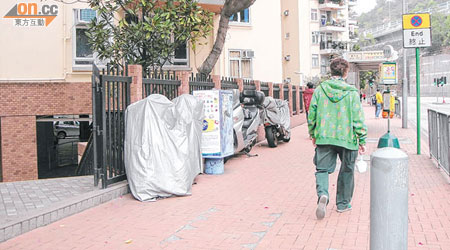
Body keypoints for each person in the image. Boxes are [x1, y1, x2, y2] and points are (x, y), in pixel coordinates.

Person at [307, 58, 367, 220]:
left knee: (322, 169)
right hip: (348, 138)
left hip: (324, 136)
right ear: (346, 73)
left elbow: (311, 114)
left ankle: (323, 194)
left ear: (330, 71)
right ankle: (342, 204)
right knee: (347, 169)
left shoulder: (320, 90)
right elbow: (358, 118)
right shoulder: (352, 92)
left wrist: (313, 133)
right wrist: (362, 139)